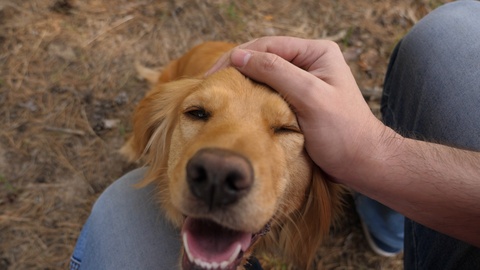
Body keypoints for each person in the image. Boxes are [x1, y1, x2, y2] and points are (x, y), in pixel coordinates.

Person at [70, 1, 480, 269]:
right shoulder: (167, 103)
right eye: (198, 113)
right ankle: (389, 231)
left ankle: (387, 231)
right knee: (448, 32)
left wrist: (373, 153)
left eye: (285, 128)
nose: (221, 166)